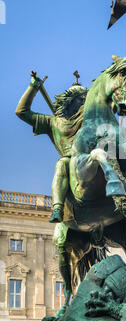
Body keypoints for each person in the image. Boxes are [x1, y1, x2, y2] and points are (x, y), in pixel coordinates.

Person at [15, 73, 88, 222]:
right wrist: (32, 88)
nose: (85, 103)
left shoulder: (90, 119)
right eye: (82, 99)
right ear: (71, 101)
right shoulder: (53, 122)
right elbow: (21, 112)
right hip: (70, 160)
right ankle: (57, 208)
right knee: (62, 164)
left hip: (89, 158)